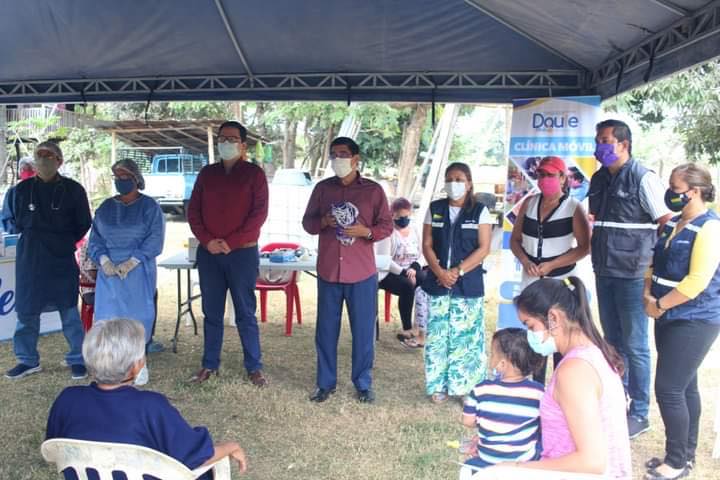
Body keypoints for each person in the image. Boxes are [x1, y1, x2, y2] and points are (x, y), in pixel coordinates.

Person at [46, 319, 248, 480]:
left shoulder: (67, 399)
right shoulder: (152, 407)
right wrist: (231, 446)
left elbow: (53, 449)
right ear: (136, 366)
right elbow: (195, 457)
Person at [496, 277, 631, 479]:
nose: (529, 335)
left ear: (554, 318)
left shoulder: (575, 372)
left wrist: (515, 468)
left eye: (530, 326)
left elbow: (592, 461)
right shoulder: (593, 354)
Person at [589, 119, 671, 438]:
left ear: (624, 144)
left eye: (605, 140)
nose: (599, 146)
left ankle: (639, 412)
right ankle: (616, 404)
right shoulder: (599, 179)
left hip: (634, 275)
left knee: (636, 346)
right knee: (612, 341)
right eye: (598, 140)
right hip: (604, 270)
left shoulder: (643, 178)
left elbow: (666, 222)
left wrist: (653, 265)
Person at [642, 164, 720, 480]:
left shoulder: (710, 228)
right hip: (666, 313)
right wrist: (648, 294)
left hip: (695, 318)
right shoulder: (673, 223)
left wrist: (659, 305)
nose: (670, 193)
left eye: (675, 188)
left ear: (695, 191)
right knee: (686, 386)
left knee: (669, 388)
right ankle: (685, 455)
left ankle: (675, 463)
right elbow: (653, 263)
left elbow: (696, 282)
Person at [302, 136, 393, 404]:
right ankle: (325, 383)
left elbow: (387, 225)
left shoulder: (373, 191)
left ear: (355, 159)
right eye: (333, 154)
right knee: (325, 332)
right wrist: (324, 221)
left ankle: (363, 384)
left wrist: (367, 232)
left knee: (363, 332)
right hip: (329, 272)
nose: (337, 159)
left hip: (361, 273)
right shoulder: (322, 189)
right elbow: (308, 223)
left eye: (343, 154)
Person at [187, 121, 269, 386]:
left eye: (232, 139)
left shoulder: (254, 174)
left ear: (243, 145)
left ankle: (254, 367)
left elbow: (259, 214)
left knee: (245, 312)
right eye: (222, 138)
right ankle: (209, 364)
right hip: (209, 254)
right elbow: (193, 211)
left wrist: (232, 242)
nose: (226, 143)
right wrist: (207, 241)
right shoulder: (207, 173)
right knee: (211, 312)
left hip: (242, 253)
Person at [5, 141, 92, 381]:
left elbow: (83, 223)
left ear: (59, 161)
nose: (43, 159)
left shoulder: (73, 190)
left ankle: (77, 358)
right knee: (27, 313)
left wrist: (61, 240)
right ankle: (27, 360)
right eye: (39, 154)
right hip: (30, 258)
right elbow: (9, 221)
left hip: (60, 257)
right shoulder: (20, 191)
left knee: (69, 311)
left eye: (49, 155)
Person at [88, 159, 165, 385]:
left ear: (136, 178)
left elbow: (155, 239)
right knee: (108, 318)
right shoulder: (106, 208)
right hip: (109, 273)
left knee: (138, 317)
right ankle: (109, 365)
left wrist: (133, 261)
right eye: (117, 177)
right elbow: (95, 239)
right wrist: (104, 260)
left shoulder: (149, 207)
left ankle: (139, 363)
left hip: (138, 270)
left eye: (125, 177)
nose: (120, 181)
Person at [421, 162, 492, 404]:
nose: (454, 183)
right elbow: (427, 245)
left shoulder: (480, 211)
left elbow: (484, 248)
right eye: (450, 179)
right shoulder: (436, 209)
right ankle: (438, 385)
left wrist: (457, 271)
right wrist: (440, 272)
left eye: (460, 179)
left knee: (466, 337)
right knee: (438, 335)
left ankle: (466, 387)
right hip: (438, 281)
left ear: (469, 183)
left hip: (468, 283)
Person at [459, 328, 544, 479]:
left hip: (487, 459)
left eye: (492, 354)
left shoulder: (480, 390)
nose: (490, 357)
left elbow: (467, 421)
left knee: (468, 467)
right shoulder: (539, 393)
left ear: (502, 364)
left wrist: (488, 423)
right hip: (524, 463)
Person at [511, 156, 590, 288]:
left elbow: (585, 247)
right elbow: (515, 240)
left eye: (550, 175)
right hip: (530, 281)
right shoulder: (529, 203)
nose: (545, 179)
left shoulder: (573, 207)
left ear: (562, 178)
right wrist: (525, 261)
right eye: (541, 175)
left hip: (562, 281)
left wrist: (553, 265)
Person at [378, 197, 426, 347]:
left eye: (406, 216)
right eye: (400, 217)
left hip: (413, 267)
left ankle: (420, 327)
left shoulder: (415, 229)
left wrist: (414, 268)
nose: (404, 219)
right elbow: (386, 260)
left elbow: (423, 252)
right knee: (407, 286)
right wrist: (405, 272)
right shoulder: (388, 232)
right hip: (391, 271)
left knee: (426, 281)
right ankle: (407, 328)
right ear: (392, 215)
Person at [1, 157, 36, 234]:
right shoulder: (13, 192)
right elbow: (7, 220)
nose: (27, 172)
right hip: (22, 236)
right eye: (24, 169)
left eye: (30, 169)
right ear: (20, 171)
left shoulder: (44, 190)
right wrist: (19, 232)